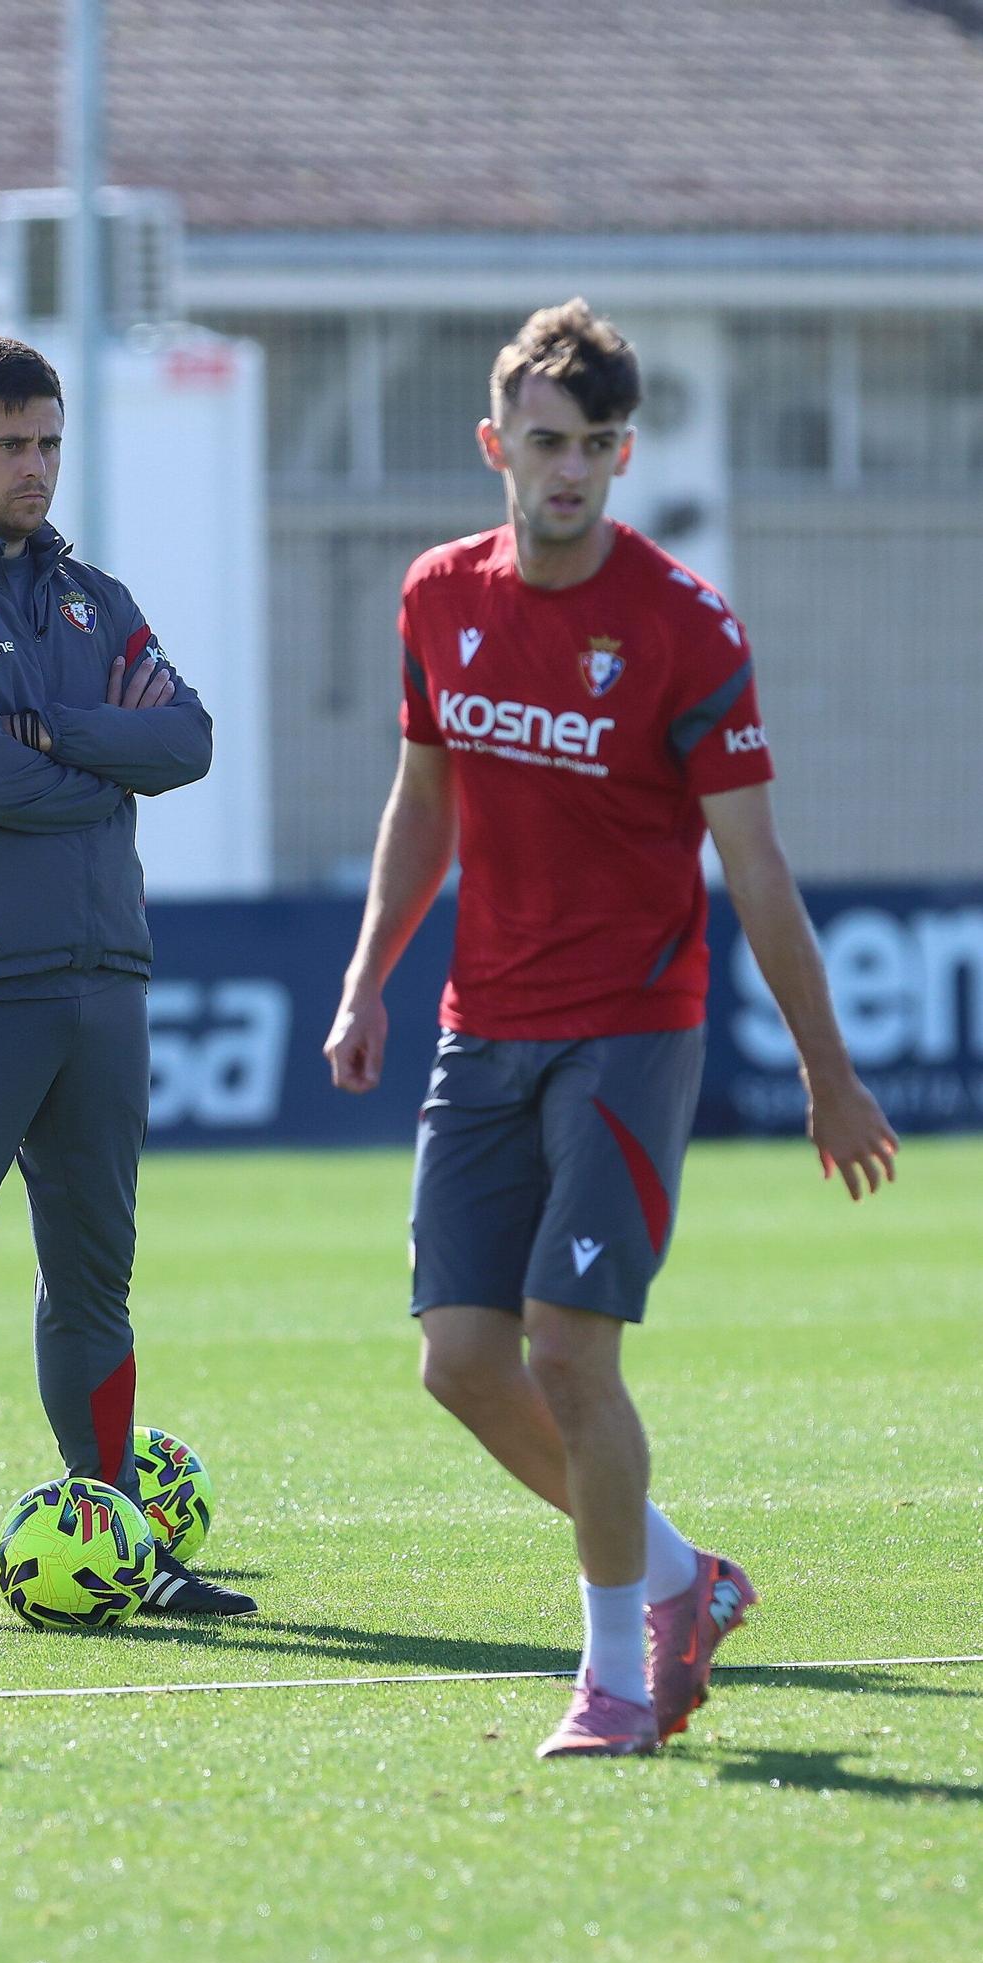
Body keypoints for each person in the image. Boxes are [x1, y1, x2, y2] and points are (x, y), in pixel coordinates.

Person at [323, 300, 896, 1756]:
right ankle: (680, 1578)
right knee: (459, 1361)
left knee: (572, 1354)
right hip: (480, 1026)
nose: (564, 471)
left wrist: (828, 1077)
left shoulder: (681, 624)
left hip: (632, 1031)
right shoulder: (436, 597)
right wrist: (363, 979)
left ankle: (616, 1684)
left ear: (621, 454)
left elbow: (753, 868)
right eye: (541, 443)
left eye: (590, 447)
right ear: (493, 446)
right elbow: (423, 799)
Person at [0, 334, 255, 1623]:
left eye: (51, 441)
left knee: (95, 1284)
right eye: (11, 444)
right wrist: (98, 766)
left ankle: (126, 1542)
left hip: (102, 982)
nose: (37, 466)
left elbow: (185, 739)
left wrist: (59, 731)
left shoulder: (98, 600)